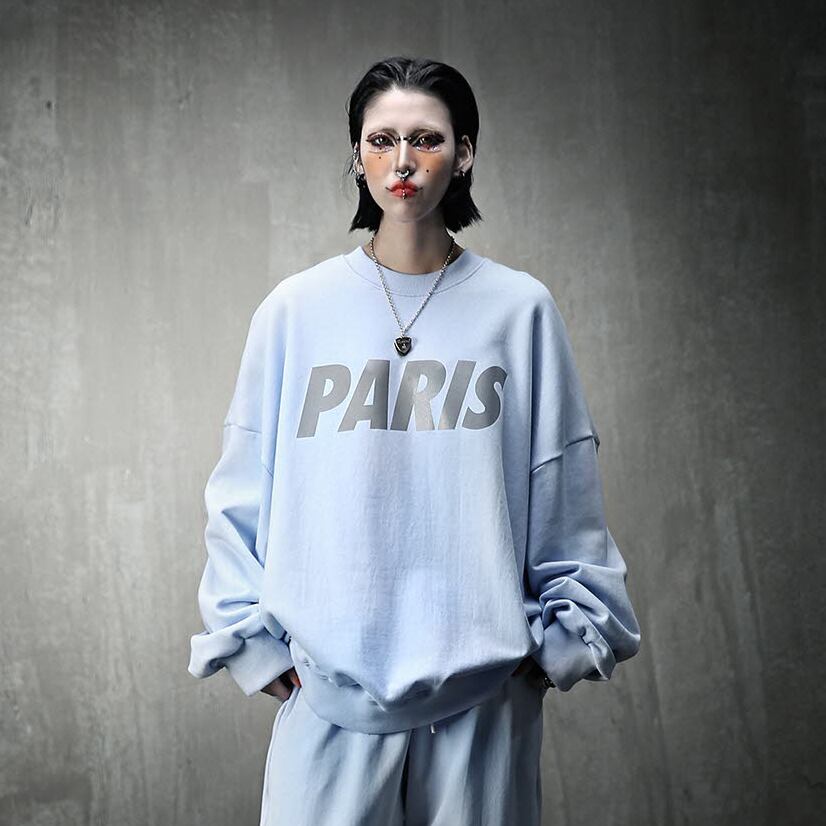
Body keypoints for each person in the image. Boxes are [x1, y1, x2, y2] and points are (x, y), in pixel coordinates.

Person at [187, 55, 641, 826]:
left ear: (464, 154)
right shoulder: (295, 312)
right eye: (381, 139)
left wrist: (551, 650)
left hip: (483, 710)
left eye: (426, 139)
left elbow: (563, 493)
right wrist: (252, 645)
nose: (402, 162)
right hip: (328, 706)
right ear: (357, 155)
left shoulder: (519, 311)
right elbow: (241, 492)